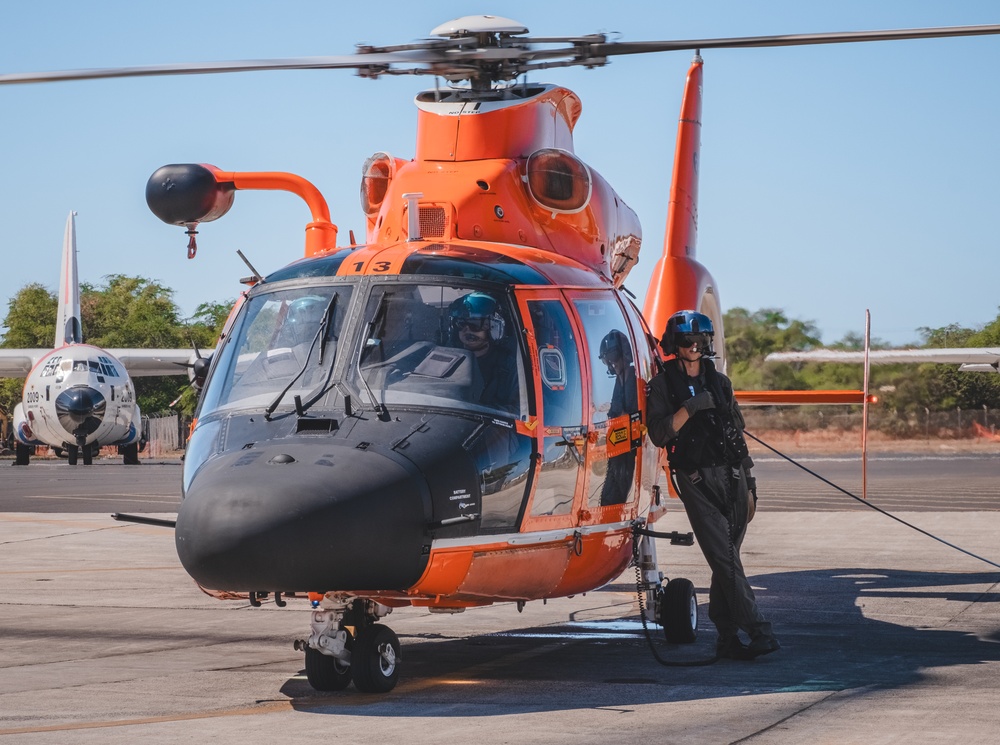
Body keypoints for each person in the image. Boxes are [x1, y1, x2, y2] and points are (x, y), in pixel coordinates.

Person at [646, 310, 780, 660]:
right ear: (675, 345)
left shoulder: (719, 381)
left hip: (733, 474)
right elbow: (659, 434)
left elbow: (737, 432)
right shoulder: (661, 386)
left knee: (728, 560)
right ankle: (758, 629)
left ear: (707, 343)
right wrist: (690, 408)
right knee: (724, 557)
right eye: (686, 342)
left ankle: (726, 636)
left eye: (700, 341)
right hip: (696, 479)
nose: (693, 347)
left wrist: (750, 482)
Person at [449, 292, 519, 414]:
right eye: (461, 323)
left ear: (495, 327)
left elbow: (518, 411)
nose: (467, 329)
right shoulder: (444, 358)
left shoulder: (509, 367)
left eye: (475, 324)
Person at [598, 329, 638, 506]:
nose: (612, 365)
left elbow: (630, 413)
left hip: (627, 444)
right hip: (618, 442)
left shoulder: (632, 379)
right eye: (610, 361)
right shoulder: (621, 378)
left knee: (615, 492)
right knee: (611, 488)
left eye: (613, 359)